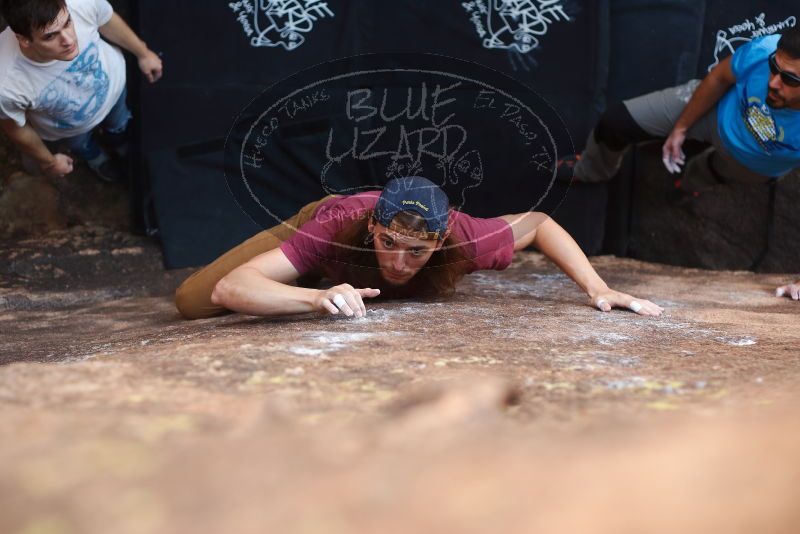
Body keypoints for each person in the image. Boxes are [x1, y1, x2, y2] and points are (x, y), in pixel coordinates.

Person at [175, 176, 664, 320]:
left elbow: (539, 223)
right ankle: (308, 274)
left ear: (440, 241)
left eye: (417, 252)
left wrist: (598, 289)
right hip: (321, 235)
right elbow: (227, 289)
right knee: (190, 303)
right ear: (373, 228)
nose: (398, 262)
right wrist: (313, 297)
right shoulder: (338, 224)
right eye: (389, 244)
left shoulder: (465, 236)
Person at [564, 26, 800, 301]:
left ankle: (690, 185)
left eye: (790, 79)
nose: (773, 82)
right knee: (616, 122)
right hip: (718, 111)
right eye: (774, 67)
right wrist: (681, 127)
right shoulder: (764, 50)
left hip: (754, 162)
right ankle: (592, 170)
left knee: (707, 172)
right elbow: (720, 77)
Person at [0, 0, 163, 182]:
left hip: (114, 91)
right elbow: (15, 128)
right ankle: (96, 158)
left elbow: (106, 20)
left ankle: (119, 143)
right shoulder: (6, 83)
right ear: (23, 39)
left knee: (119, 125)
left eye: (68, 22)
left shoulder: (80, 3)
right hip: (70, 130)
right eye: (50, 37)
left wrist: (143, 53)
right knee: (82, 146)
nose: (69, 40)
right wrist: (48, 162)